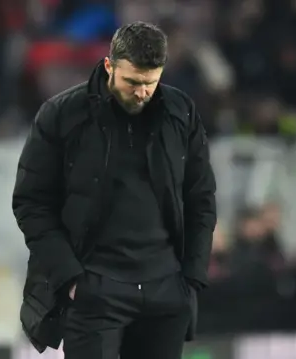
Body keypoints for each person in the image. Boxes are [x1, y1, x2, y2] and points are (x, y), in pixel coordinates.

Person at [13, 21, 217, 359]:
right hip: (94, 291)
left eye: (150, 83)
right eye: (132, 81)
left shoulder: (181, 113)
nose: (141, 92)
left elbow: (201, 197)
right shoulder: (62, 115)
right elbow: (31, 204)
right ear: (109, 66)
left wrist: (192, 277)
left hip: (166, 291)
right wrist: (70, 278)